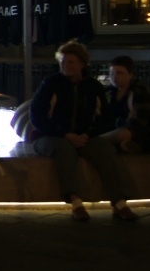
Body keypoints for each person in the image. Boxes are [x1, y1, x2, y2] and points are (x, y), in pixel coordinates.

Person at [29, 41, 139, 221]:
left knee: (104, 149)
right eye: (63, 62)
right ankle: (75, 201)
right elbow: (37, 117)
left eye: (71, 62)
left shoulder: (93, 87)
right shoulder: (50, 84)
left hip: (83, 136)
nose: (66, 66)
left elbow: (106, 118)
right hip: (49, 136)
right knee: (64, 150)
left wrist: (88, 134)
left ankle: (119, 202)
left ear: (82, 64)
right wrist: (65, 134)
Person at [102, 55, 150, 154]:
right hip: (117, 128)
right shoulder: (109, 92)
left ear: (130, 74)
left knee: (124, 133)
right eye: (112, 73)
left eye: (119, 73)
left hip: (145, 133)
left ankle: (98, 143)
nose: (114, 77)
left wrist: (119, 121)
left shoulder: (141, 93)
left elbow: (139, 124)